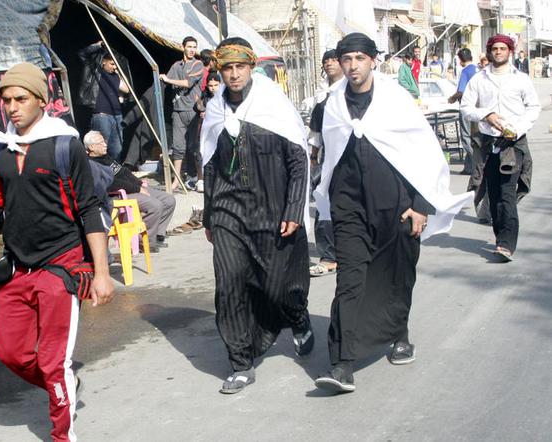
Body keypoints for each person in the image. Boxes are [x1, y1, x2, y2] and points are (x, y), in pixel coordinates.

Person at [0, 62, 114, 441]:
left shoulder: (64, 145)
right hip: (17, 268)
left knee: (53, 362)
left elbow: (89, 209)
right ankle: (62, 386)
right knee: (11, 355)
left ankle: (62, 431)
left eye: (20, 99)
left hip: (62, 265)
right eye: (6, 99)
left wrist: (101, 273)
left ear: (41, 100)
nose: (11, 107)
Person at [312, 33, 472, 393]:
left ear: (373, 61)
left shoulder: (395, 100)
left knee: (396, 275)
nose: (352, 66)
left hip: (397, 206)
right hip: (349, 207)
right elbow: (331, 155)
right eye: (346, 59)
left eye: (359, 58)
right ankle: (342, 364)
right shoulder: (332, 105)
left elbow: (422, 152)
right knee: (349, 281)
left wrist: (420, 205)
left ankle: (398, 333)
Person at [200, 37, 313, 394]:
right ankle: (240, 361)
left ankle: (297, 316)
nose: (233, 75)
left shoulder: (272, 106)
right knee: (230, 283)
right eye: (227, 69)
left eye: (239, 67)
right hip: (228, 212)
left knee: (280, 286)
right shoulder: (216, 111)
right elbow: (209, 166)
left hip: (274, 210)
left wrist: (294, 207)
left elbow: (298, 160)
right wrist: (208, 215)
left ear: (251, 68)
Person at [460, 34, 540, 262]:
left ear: (510, 52)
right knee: (493, 194)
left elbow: (533, 107)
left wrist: (518, 127)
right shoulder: (479, 79)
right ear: (489, 52)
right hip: (487, 143)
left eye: (503, 49)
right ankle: (499, 239)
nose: (498, 52)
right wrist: (486, 114)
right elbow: (466, 107)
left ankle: (506, 244)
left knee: (507, 194)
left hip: (513, 143)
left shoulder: (521, 79)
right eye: (494, 49)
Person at [84, 130, 176, 252]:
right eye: (101, 143)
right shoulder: (91, 164)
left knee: (169, 200)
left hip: (131, 189)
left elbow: (124, 172)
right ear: (92, 147)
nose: (105, 144)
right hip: (116, 195)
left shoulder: (106, 157)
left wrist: (139, 183)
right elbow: (111, 184)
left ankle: (158, 235)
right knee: (155, 205)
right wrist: (137, 188)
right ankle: (144, 242)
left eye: (104, 141)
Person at [307, 49, 344, 277]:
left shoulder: (350, 92)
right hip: (327, 160)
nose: (329, 64)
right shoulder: (323, 97)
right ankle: (329, 256)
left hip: (351, 161)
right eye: (326, 60)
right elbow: (316, 132)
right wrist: (313, 157)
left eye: (333, 59)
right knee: (323, 206)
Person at [160, 36, 205, 190]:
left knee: (195, 147)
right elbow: (166, 80)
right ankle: (176, 179)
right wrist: (162, 78)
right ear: (183, 47)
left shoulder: (198, 64)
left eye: (194, 47)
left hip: (193, 111)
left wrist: (168, 79)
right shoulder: (176, 66)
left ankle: (200, 179)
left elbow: (188, 83)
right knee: (178, 147)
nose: (192, 50)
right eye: (189, 46)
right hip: (178, 111)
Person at [78, 42, 129, 160]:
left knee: (117, 149)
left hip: (117, 116)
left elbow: (126, 89)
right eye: (112, 64)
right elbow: (83, 54)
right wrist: (97, 45)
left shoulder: (115, 76)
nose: (114, 67)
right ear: (103, 61)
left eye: (116, 64)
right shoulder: (95, 71)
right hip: (102, 115)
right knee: (100, 149)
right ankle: (101, 172)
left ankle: (115, 175)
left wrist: (119, 72)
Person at [447, 48, 478, 175]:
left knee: (466, 138)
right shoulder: (477, 69)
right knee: (475, 138)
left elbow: (461, 91)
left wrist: (452, 98)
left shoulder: (466, 71)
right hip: (478, 108)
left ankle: (476, 165)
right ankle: (468, 167)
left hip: (467, 108)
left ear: (460, 60)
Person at [190, 71, 222, 193]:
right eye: (210, 85)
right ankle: (201, 179)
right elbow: (197, 107)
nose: (213, 88)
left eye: (215, 85)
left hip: (219, 130)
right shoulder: (205, 96)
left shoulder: (224, 96)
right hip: (205, 131)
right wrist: (200, 109)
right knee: (200, 153)